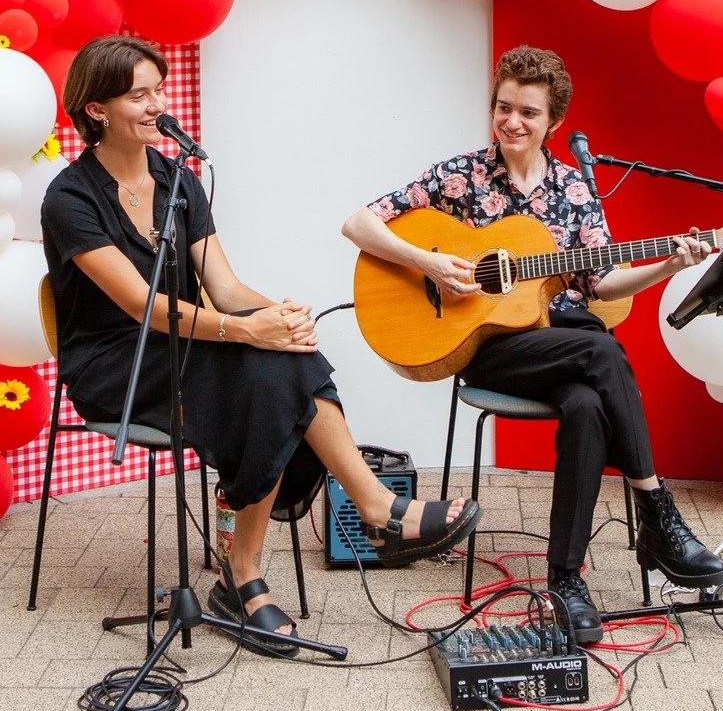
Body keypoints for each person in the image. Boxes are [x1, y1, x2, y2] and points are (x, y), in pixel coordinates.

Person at [41, 34, 480, 655]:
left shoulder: (179, 182)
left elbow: (223, 285)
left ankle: (270, 562)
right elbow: (140, 306)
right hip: (120, 360)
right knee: (259, 368)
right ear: (96, 110)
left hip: (187, 344)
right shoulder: (69, 199)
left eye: (158, 90)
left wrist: (275, 315)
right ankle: (348, 525)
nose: (156, 105)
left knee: (286, 359)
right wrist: (247, 330)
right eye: (139, 95)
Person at [342, 45, 723, 644]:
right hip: (490, 349)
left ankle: (565, 581)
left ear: (554, 122)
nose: (511, 122)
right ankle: (656, 512)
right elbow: (359, 223)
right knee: (603, 353)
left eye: (527, 112)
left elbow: (601, 282)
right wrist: (430, 263)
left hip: (559, 343)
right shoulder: (460, 175)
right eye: (503, 108)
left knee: (585, 401)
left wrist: (665, 264)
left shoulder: (574, 190)